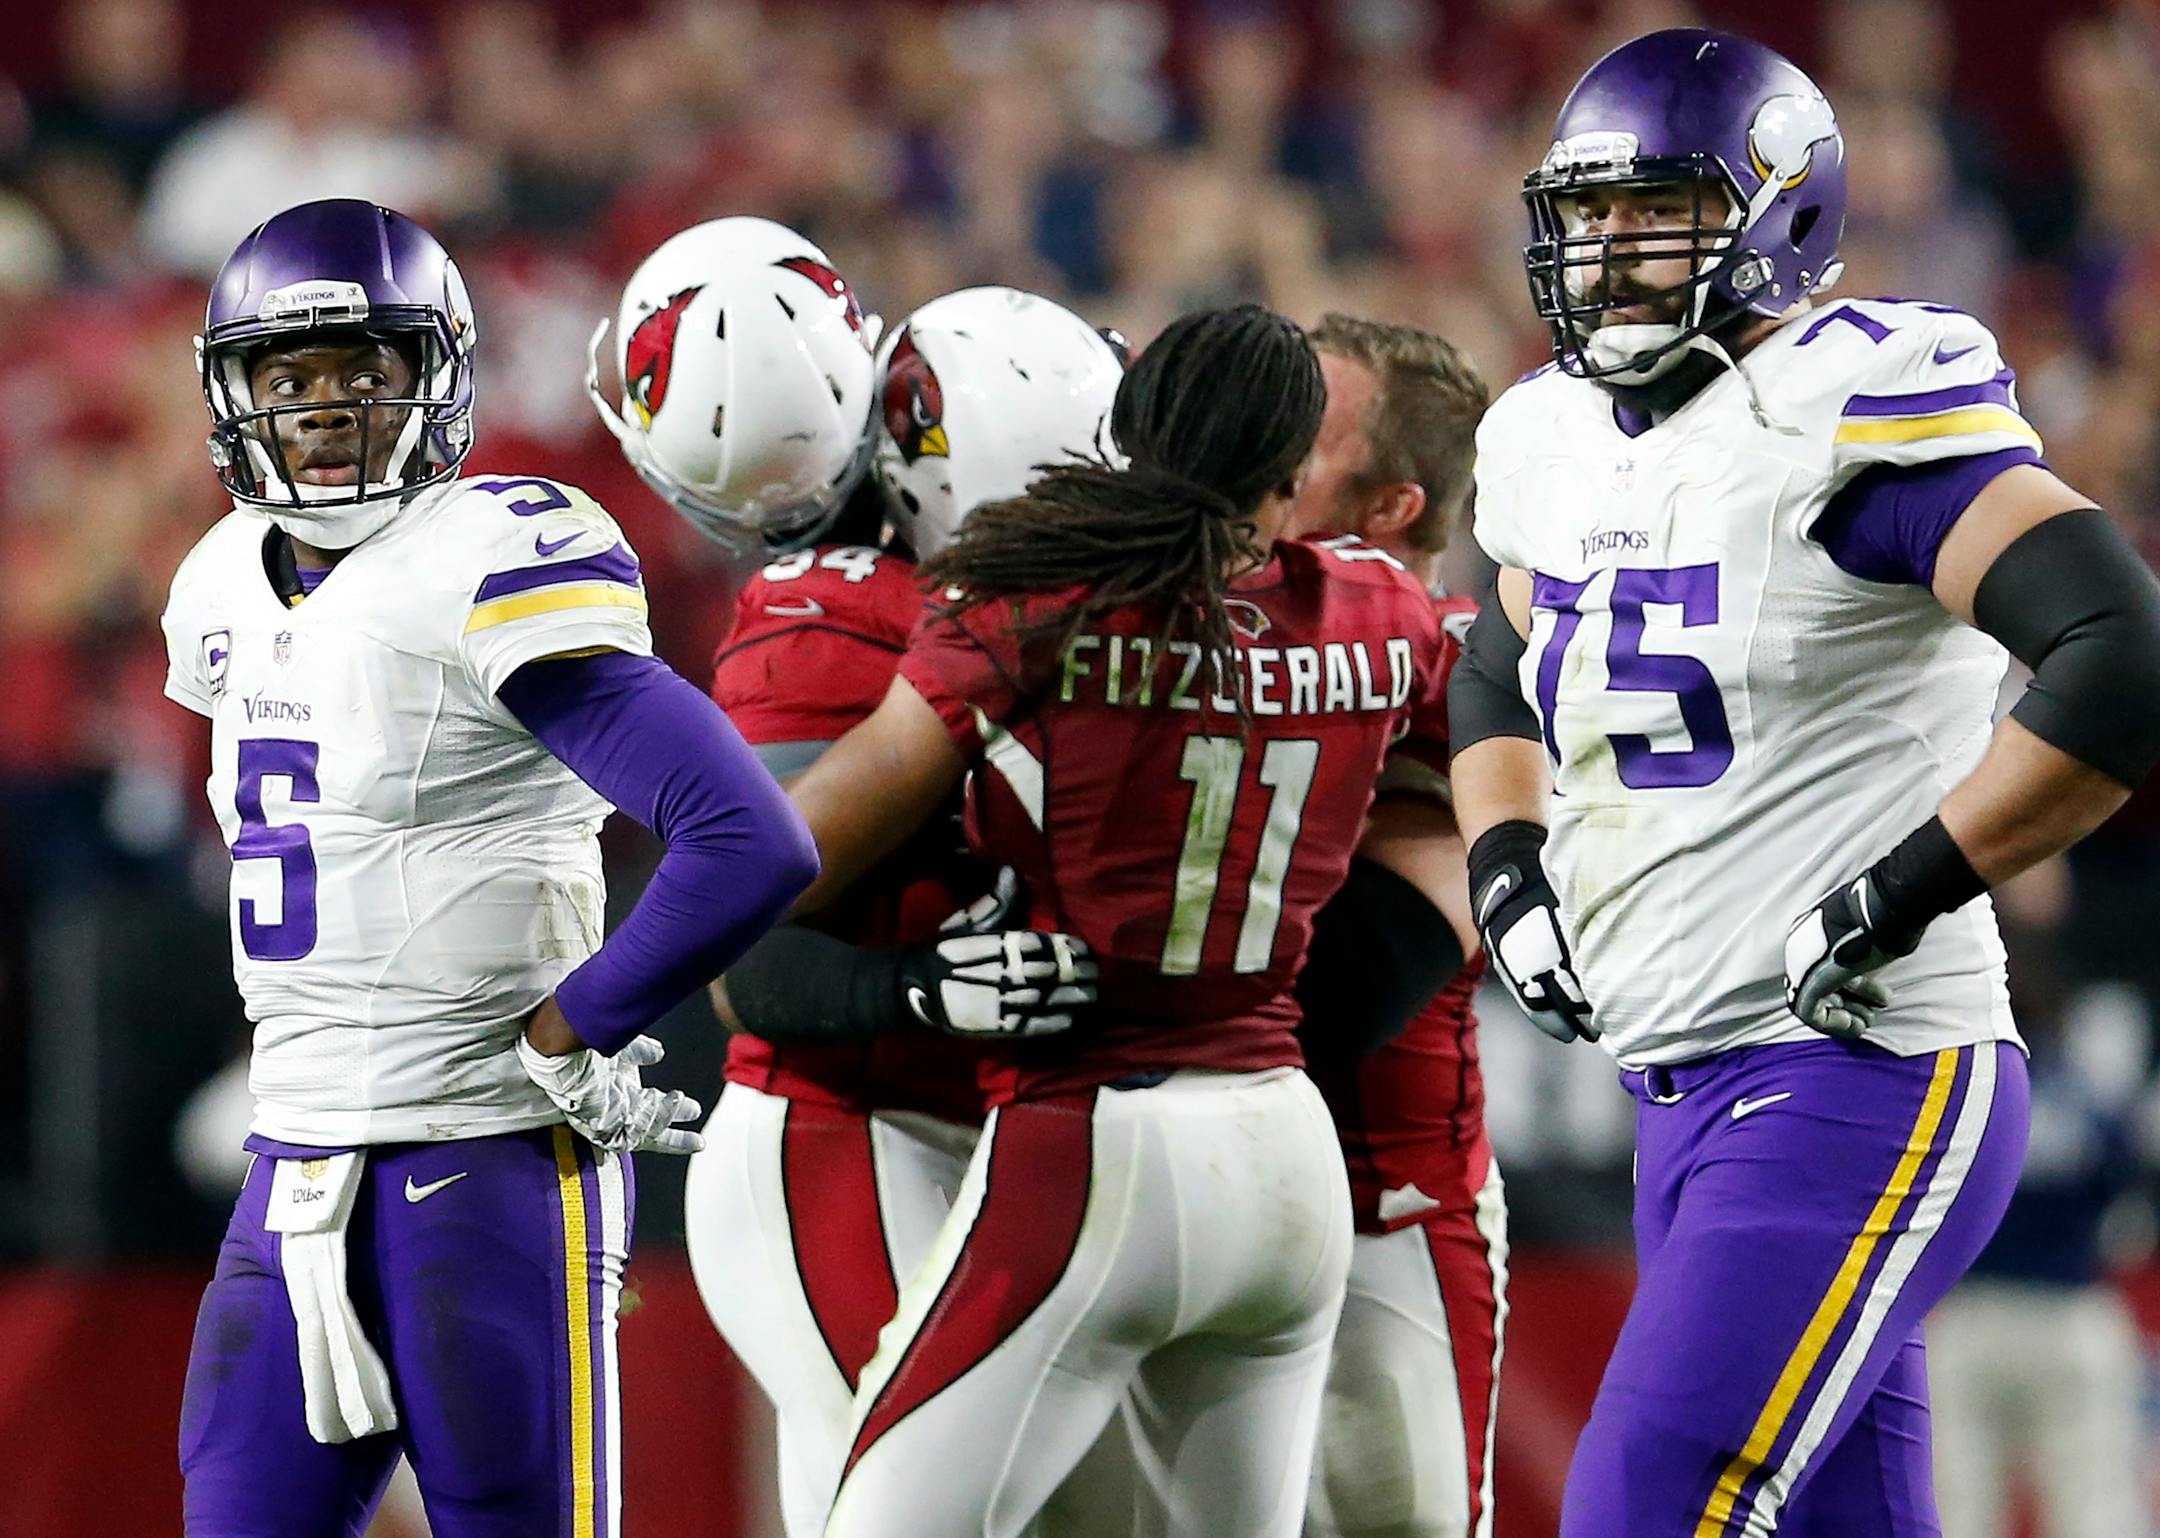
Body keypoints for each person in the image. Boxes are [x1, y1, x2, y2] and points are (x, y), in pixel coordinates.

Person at [1449, 29, 2160, 1538]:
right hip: (1677, 1089)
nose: (1606, 253)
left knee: (1646, 1498)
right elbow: (1499, 661)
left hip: (1856, 1065)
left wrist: (1905, 886)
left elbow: (2116, 651)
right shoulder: (1556, 437)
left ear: (1777, 217)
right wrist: (1509, 869)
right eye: (1585, 215)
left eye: (1652, 211)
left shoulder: (1851, 404)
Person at [726, 303, 1467, 1538]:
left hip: (1094, 1139)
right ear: (1293, 481)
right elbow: (1497, 727)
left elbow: (789, 859)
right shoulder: (1383, 612)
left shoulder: (1028, 604)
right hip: (1286, 1158)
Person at [164, 197, 817, 1538]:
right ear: (234, 394)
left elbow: (747, 835)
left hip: (487, 1165)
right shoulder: (220, 579)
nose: (328, 407)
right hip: (289, 1165)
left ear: (439, 374)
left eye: (366, 369)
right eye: (290, 377)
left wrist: (579, 1021)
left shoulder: (488, 551)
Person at [590, 220, 1128, 1538]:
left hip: (1019, 1138)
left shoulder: (977, 512)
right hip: (858, 1132)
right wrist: (930, 989)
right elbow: (745, 952)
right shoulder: (822, 617)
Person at [1286, 314, 1503, 1538]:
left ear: (1387, 508)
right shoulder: (1189, 628)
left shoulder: (1453, 672)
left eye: (1305, 436)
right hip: (1186, 1195)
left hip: (1387, 1214)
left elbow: (1341, 1000)